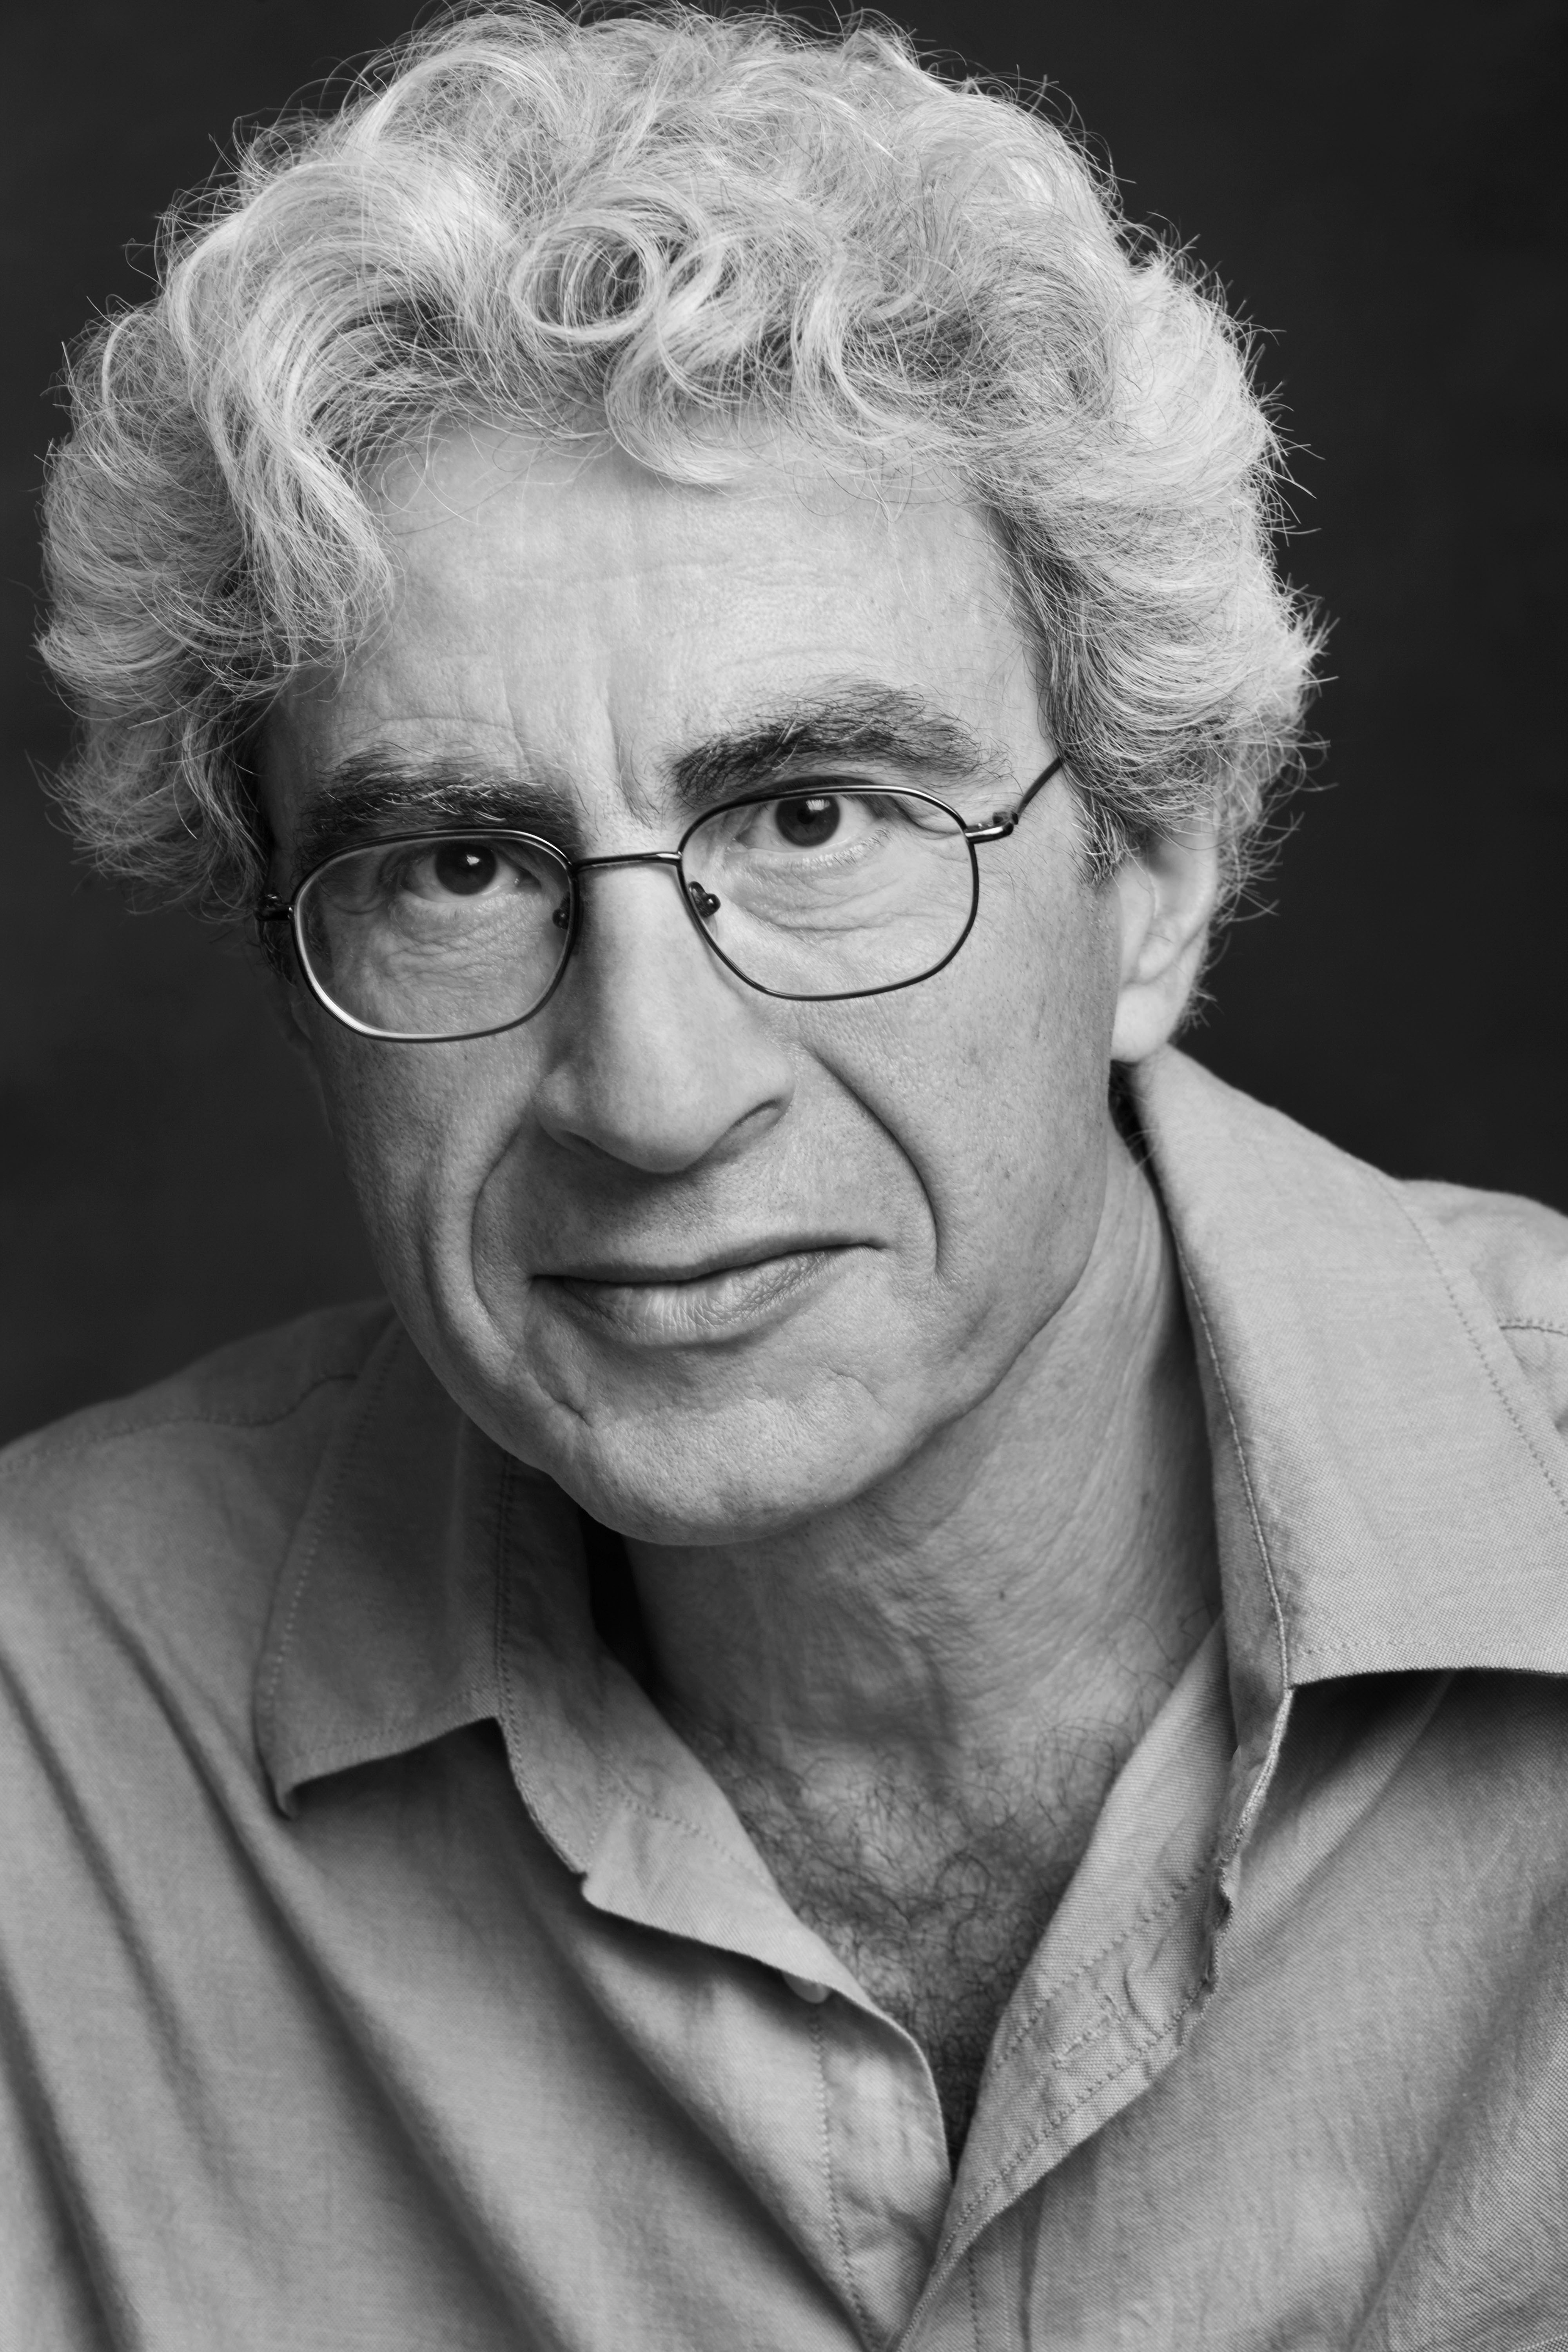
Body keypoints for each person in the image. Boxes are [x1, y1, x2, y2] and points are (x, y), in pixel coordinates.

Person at [8, 5, 1568, 2343]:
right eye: (460, 865)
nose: (649, 1094)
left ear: (1151, 874)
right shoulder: (44, 1729)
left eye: (814, 817)